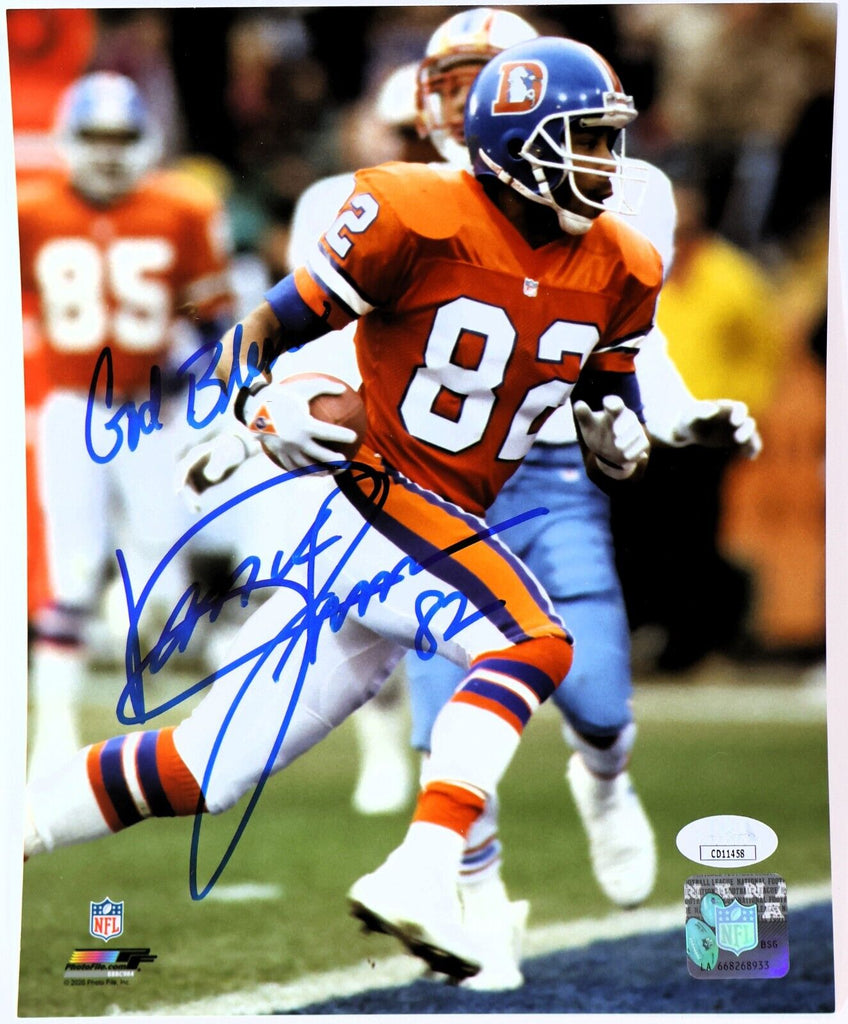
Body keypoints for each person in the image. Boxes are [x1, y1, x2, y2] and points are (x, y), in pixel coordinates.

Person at [25, 35, 666, 984]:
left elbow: (611, 405)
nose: (606, 162)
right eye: (586, 139)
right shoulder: (415, 212)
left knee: (206, 768)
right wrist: (252, 413)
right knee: (531, 640)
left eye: (610, 140)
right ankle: (424, 867)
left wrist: (620, 444)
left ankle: (19, 825)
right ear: (516, 142)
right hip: (371, 497)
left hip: (430, 521)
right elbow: (269, 326)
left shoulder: (624, 265)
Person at [18, 71, 234, 779]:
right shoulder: (30, 210)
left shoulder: (181, 207)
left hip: (151, 408)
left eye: (120, 137)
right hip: (73, 404)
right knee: (72, 572)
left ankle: (142, 653)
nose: (108, 152)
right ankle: (50, 736)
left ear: (144, 140)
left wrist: (197, 375)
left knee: (162, 576)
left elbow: (217, 320)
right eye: (94, 136)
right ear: (69, 139)